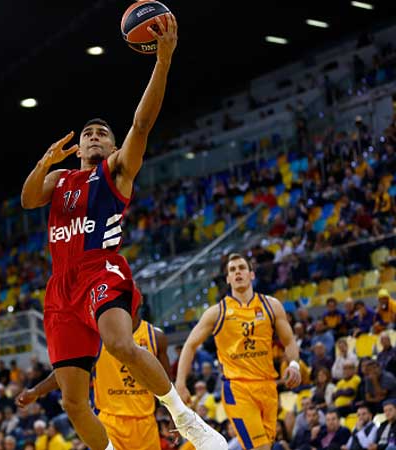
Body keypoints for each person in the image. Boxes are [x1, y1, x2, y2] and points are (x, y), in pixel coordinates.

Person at [20, 13, 225, 450]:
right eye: (89, 133)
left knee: (118, 343)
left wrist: (163, 62)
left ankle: (183, 417)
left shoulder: (116, 172)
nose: (95, 137)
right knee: (74, 402)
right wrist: (43, 162)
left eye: (102, 134)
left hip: (101, 270)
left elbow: (142, 124)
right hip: (60, 288)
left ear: (113, 147)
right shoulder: (59, 182)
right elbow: (26, 199)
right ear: (80, 146)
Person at [176, 253, 302, 450]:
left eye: (242, 268)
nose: (237, 273)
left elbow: (289, 342)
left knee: (266, 446)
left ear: (251, 274)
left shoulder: (271, 306)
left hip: (268, 386)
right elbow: (190, 345)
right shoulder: (217, 312)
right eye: (232, 270)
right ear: (228, 279)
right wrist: (180, 383)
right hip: (238, 389)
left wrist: (294, 364)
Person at [16, 310, 171, 450]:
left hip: (146, 424)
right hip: (109, 423)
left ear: (139, 299)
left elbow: (169, 384)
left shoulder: (155, 336)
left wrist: (174, 417)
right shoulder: (97, 339)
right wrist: (36, 391)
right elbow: (69, 371)